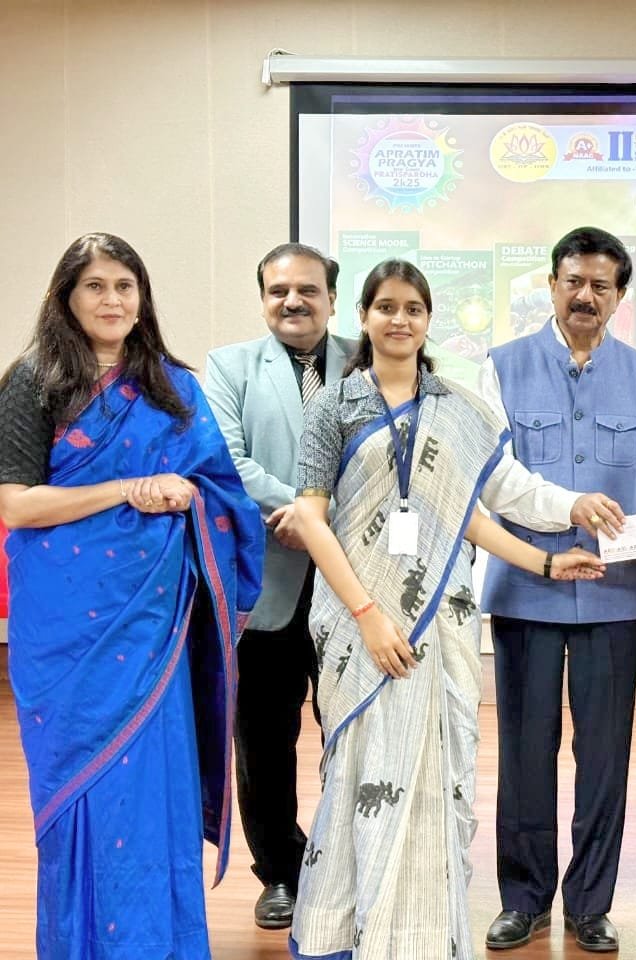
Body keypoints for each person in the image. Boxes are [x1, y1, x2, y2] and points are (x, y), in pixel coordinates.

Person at [206, 244, 620, 929]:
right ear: (363, 316)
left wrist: (546, 563)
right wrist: (368, 614)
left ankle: (427, 913)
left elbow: (469, 512)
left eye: (413, 308)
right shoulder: (335, 405)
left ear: (428, 319)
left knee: (438, 761)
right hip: (353, 615)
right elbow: (306, 511)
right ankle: (351, 909)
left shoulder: (456, 405)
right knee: (350, 762)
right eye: (386, 307)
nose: (399, 319)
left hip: (439, 615)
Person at [0, 233, 263, 958]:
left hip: (151, 629)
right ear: (65, 298)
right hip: (66, 633)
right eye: (95, 286)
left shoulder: (173, 388)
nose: (112, 300)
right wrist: (128, 489)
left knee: (150, 791)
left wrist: (188, 495)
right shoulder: (34, 381)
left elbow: (222, 496)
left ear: (142, 299)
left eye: (125, 286)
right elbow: (17, 506)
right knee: (80, 793)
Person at [479, 226, 636, 953]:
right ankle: (523, 899)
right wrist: (570, 507)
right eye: (573, 282)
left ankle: (590, 903)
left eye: (601, 285)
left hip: (615, 596)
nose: (585, 296)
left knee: (605, 758)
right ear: (551, 285)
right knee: (525, 754)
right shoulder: (500, 367)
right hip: (526, 588)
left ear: (620, 296)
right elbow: (494, 476)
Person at [205, 242, 358, 928]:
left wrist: (323, 522)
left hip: (354, 581)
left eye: (308, 290)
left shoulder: (369, 358)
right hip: (266, 582)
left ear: (332, 298)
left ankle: (347, 863)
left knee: (352, 730)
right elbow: (225, 459)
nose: (293, 302)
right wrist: (301, 512)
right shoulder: (230, 366)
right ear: (263, 297)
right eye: (278, 291)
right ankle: (281, 873)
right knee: (264, 740)